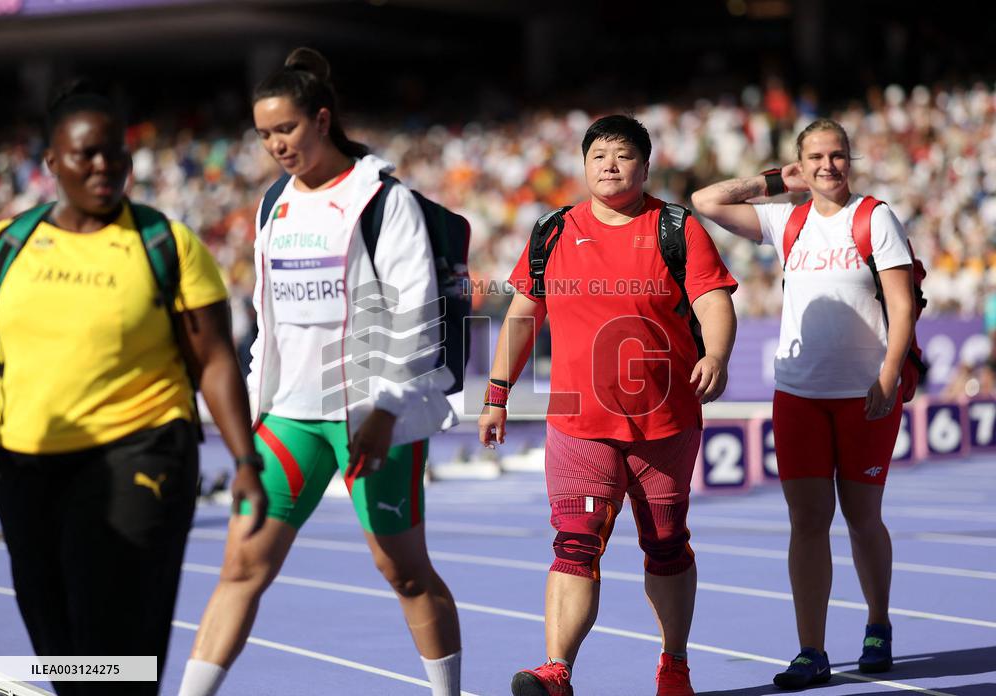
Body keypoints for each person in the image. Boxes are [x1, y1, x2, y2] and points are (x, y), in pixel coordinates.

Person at [178, 48, 462, 696]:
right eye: (265, 134)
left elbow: (415, 311)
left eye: (287, 129)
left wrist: (386, 409)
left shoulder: (382, 201)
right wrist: (254, 409)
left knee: (405, 573)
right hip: (291, 416)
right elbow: (267, 321)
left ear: (322, 119)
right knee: (242, 565)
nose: (277, 145)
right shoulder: (273, 204)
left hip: (369, 413)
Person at [0, 80, 266, 696]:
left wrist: (245, 461)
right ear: (50, 163)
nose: (103, 165)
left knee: (113, 640)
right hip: (26, 467)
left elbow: (215, 361)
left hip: (139, 456)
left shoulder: (165, 244)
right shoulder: (9, 246)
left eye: (114, 151)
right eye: (85, 153)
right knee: (58, 648)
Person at [480, 114, 738, 696]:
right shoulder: (551, 232)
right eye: (598, 156)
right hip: (578, 423)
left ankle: (674, 666)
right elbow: (523, 317)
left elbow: (714, 300)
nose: (609, 166)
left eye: (622, 156)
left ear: (645, 167)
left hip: (664, 419)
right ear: (584, 165)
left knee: (666, 544)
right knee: (575, 542)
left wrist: (716, 355)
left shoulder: (677, 228)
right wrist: (496, 395)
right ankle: (557, 672)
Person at [691, 118, 915, 689]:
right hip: (798, 397)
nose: (827, 166)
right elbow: (705, 200)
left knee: (863, 520)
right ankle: (811, 650)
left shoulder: (874, 217)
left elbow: (902, 303)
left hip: (863, 395)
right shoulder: (785, 219)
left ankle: (878, 624)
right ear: (799, 163)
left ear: (850, 159)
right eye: (814, 156)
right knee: (807, 523)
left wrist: (889, 374)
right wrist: (772, 181)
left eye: (837, 155)